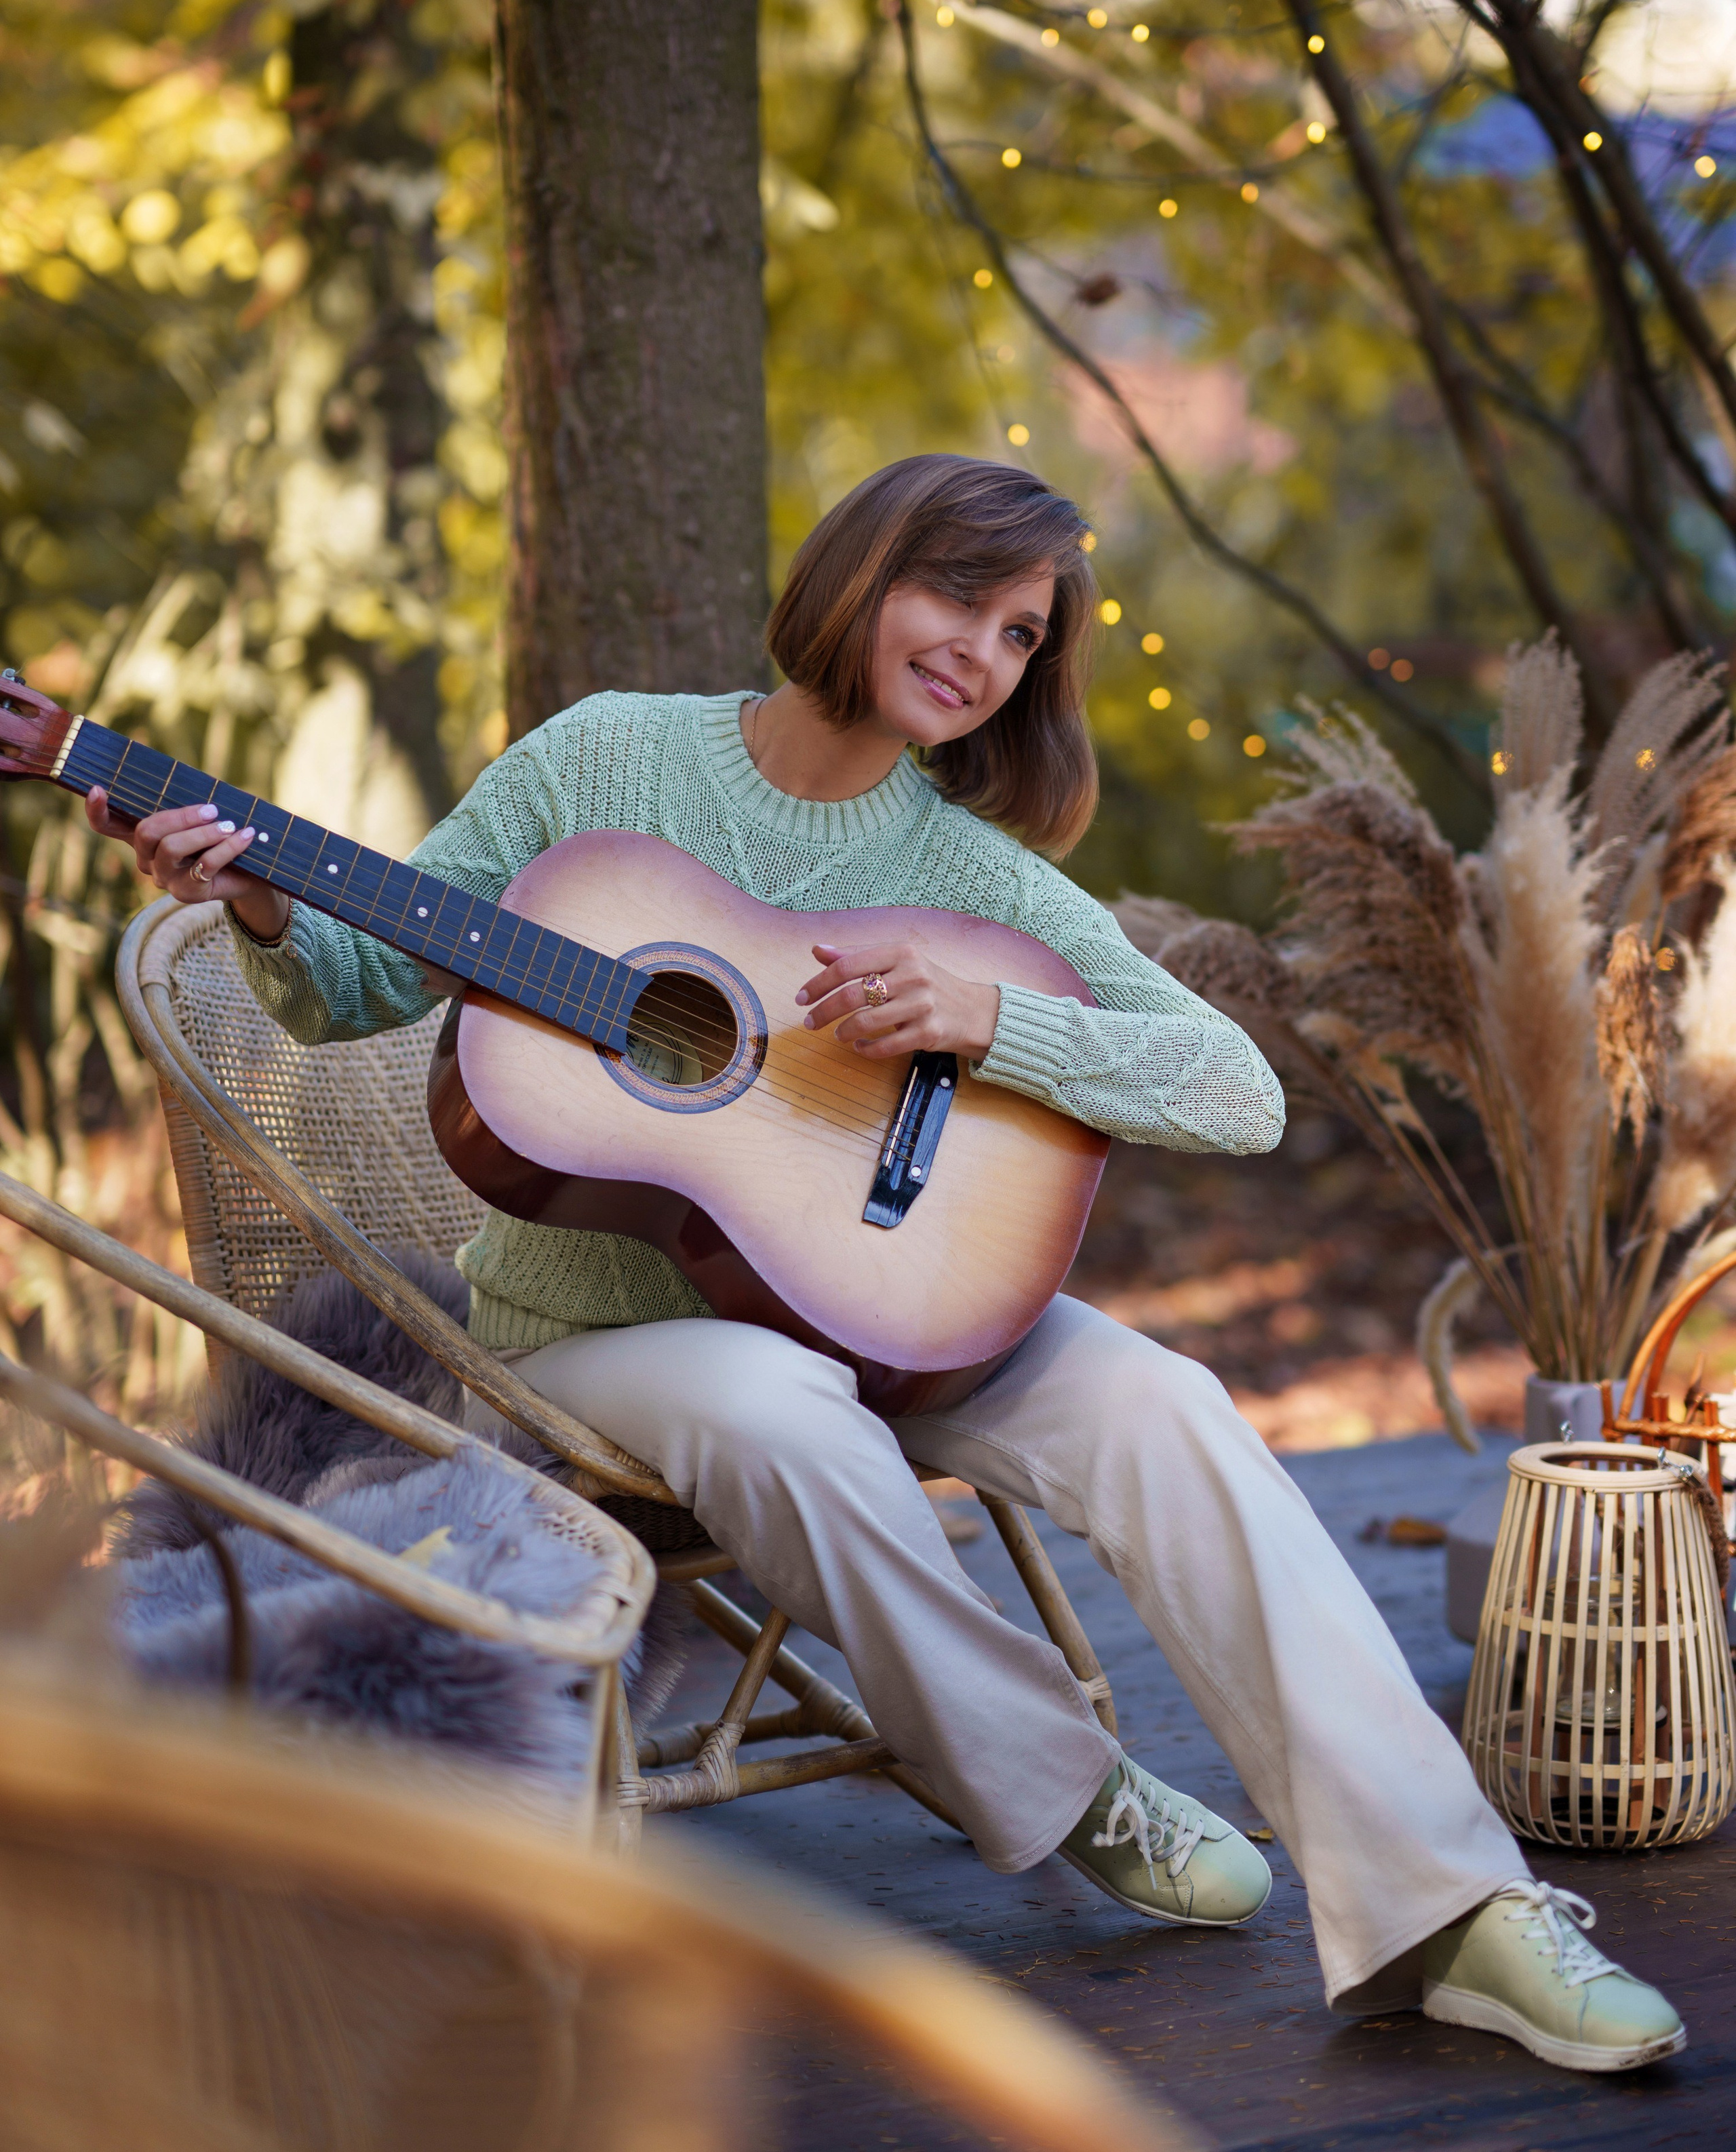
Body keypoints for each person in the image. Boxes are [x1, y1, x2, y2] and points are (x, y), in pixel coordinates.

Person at [90, 454, 1683, 2074]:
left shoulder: (967, 870)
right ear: (859, 574)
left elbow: (1237, 1088)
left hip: (904, 1301)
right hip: (599, 1339)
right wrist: (269, 914)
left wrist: (1000, 1020)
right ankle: (1058, 1782)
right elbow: (369, 975)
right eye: (958, 600)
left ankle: (1457, 1913)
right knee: (776, 1401)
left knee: (1173, 1410)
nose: (981, 655)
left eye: (1018, 636)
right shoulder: (608, 759)